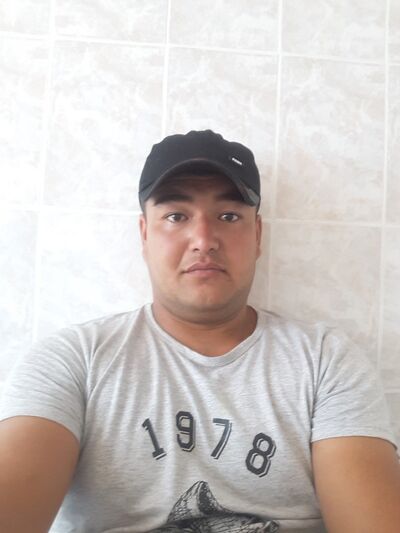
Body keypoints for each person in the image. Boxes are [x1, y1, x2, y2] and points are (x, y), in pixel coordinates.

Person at [0, 130, 399, 533]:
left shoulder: (325, 362)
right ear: (144, 234)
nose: (204, 240)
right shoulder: (73, 362)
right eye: (176, 216)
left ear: (257, 235)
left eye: (229, 216)